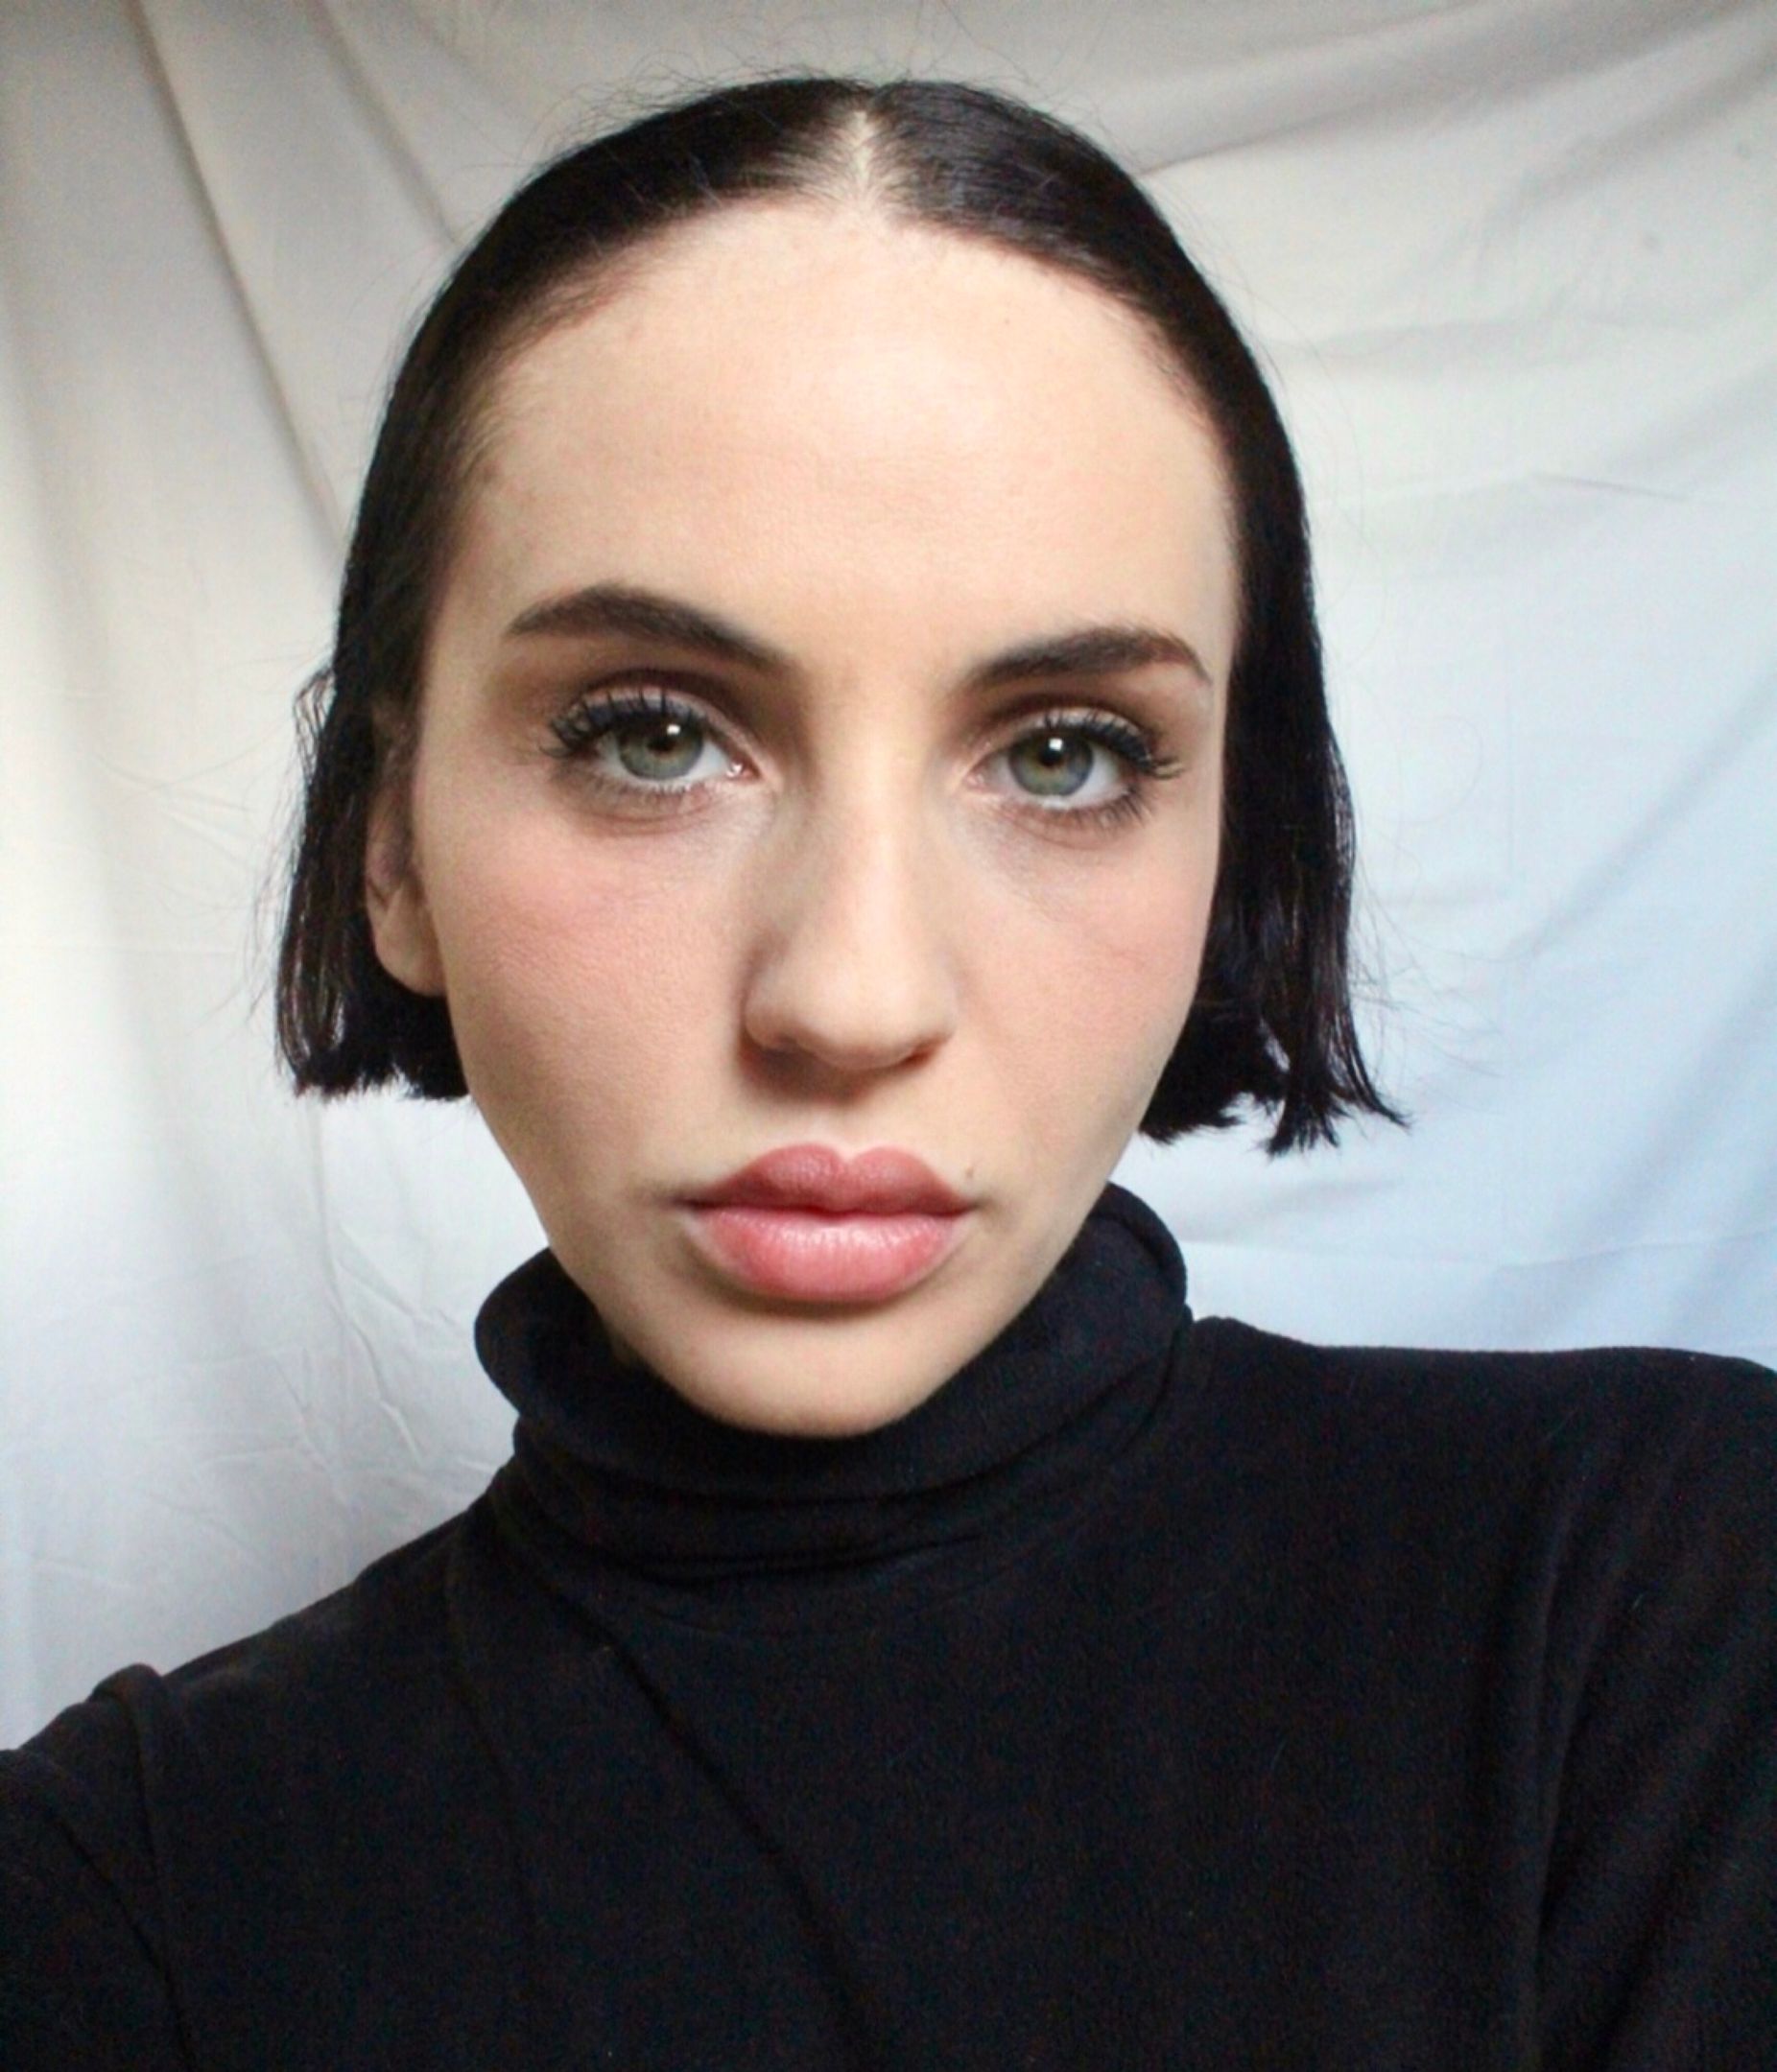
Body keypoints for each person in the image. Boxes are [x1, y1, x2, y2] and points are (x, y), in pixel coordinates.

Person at [2, 73, 1771, 2069]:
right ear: (388, 848)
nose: (848, 1000)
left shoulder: (1655, 1607)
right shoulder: (115, 1896)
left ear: (1230, 851)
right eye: (653, 735)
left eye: (1062, 754)